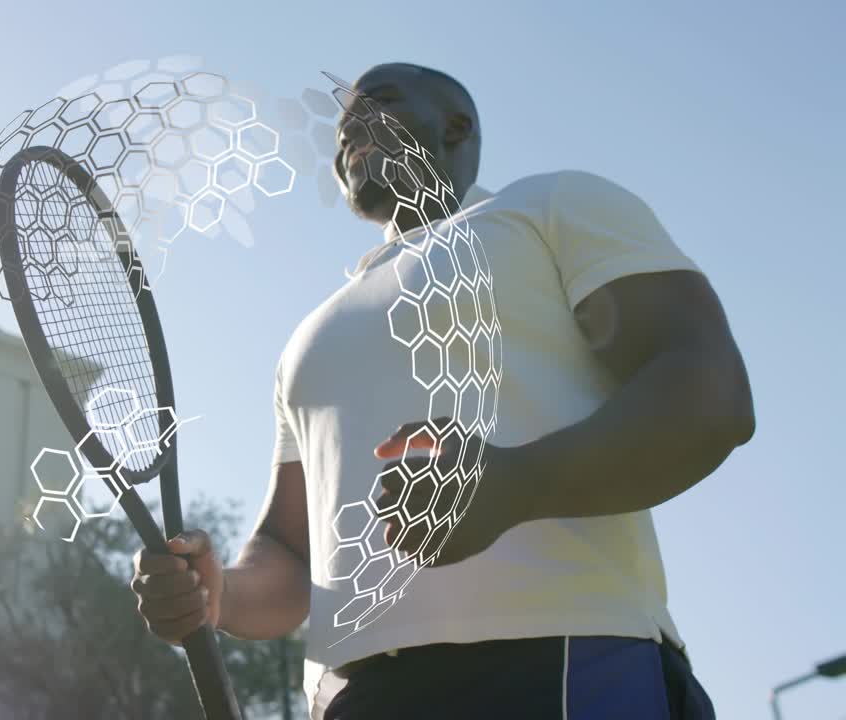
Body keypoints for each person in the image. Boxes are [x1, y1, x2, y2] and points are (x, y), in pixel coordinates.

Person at [129, 62, 754, 719]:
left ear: (456, 126)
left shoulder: (550, 206)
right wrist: (219, 592)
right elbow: (289, 552)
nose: (348, 133)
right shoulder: (309, 339)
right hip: (354, 696)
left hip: (566, 655)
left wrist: (513, 484)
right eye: (340, 130)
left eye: (381, 104)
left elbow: (707, 389)